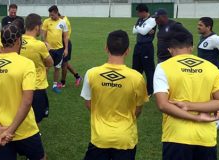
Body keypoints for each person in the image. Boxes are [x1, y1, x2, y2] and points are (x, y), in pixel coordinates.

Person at [153, 31, 219, 160]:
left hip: (176, 136)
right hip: (206, 137)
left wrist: (188, 107)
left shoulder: (163, 67)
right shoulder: (211, 68)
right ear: (191, 47)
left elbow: (163, 104)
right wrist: (193, 108)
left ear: (170, 49)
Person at [0, 24, 46, 160]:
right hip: (25, 128)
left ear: (1, 41)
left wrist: (1, 129)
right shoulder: (26, 64)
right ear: (18, 41)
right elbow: (26, 101)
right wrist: (10, 130)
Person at [80, 30, 148, 160]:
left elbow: (88, 104)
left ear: (106, 48)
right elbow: (138, 110)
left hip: (100, 137)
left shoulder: (91, 73)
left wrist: (102, 113)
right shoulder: (137, 77)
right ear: (127, 50)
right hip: (125, 138)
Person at [20, 13, 54, 124]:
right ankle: (34, 135)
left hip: (21, 84)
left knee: (22, 114)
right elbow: (50, 63)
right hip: (37, 86)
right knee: (36, 117)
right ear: (36, 27)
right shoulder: (39, 45)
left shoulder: (17, 41)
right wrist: (49, 50)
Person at [197, 17, 219, 130]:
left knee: (216, 96)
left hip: (212, 73)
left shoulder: (216, 39)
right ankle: (211, 117)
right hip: (202, 72)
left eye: (200, 25)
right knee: (206, 95)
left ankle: (217, 121)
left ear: (208, 27)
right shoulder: (203, 37)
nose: (198, 27)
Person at [42, 5, 69, 93]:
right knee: (46, 68)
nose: (51, 16)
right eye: (50, 14)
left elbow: (65, 37)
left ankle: (54, 85)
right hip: (48, 49)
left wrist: (66, 49)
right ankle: (43, 86)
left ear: (57, 12)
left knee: (57, 68)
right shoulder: (46, 21)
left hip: (59, 49)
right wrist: (46, 44)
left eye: (52, 15)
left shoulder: (63, 22)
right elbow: (43, 35)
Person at [132, 3, 156, 96]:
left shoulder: (152, 20)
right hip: (138, 46)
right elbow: (134, 31)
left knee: (148, 69)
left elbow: (142, 31)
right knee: (136, 68)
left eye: (139, 13)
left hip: (147, 47)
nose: (138, 15)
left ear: (144, 12)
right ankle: (135, 88)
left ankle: (150, 91)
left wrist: (139, 28)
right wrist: (141, 29)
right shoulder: (140, 19)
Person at [58, 13, 82, 88]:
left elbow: (61, 34)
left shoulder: (63, 22)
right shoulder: (63, 19)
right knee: (65, 63)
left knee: (64, 64)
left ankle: (63, 83)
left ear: (57, 14)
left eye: (52, 16)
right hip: (60, 43)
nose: (51, 19)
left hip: (65, 44)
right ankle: (78, 77)